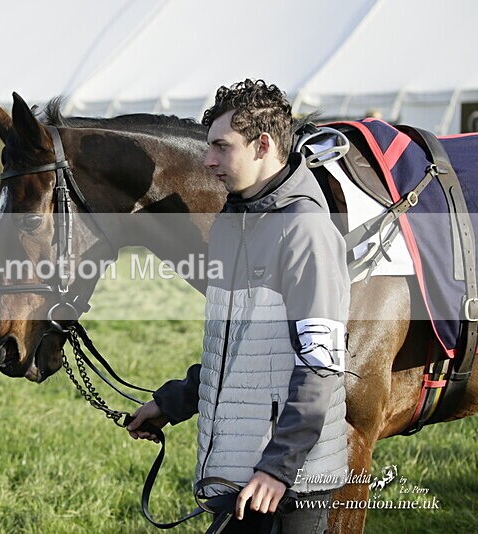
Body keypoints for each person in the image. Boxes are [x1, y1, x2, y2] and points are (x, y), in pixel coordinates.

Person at [127, 80, 350, 533]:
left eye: (221, 147)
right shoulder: (231, 225)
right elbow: (237, 349)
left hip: (289, 485)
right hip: (240, 473)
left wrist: (277, 469)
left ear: (263, 145)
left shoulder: (306, 231)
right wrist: (172, 403)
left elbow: (321, 365)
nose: (208, 160)